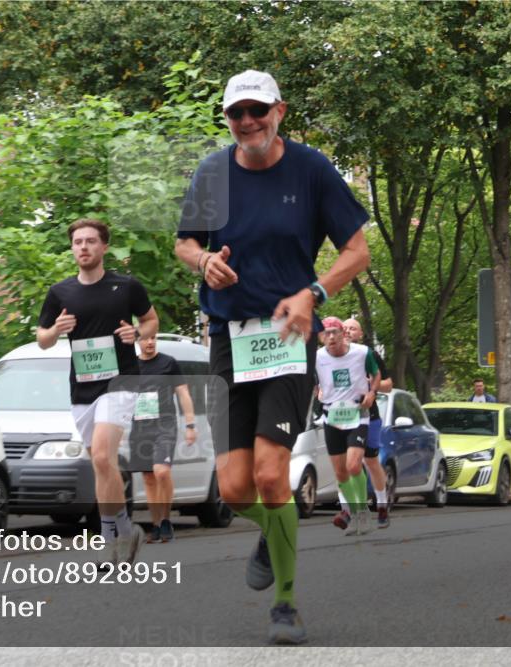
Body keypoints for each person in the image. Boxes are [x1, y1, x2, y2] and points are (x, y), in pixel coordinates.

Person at [174, 69, 370, 645]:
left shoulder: (311, 169)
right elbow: (185, 241)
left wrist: (315, 294)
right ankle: (275, 524)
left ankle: (285, 604)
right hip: (229, 338)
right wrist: (203, 262)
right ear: (228, 119)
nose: (248, 121)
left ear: (279, 111)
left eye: (257, 110)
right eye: (236, 113)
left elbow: (357, 250)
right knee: (235, 489)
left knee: (269, 473)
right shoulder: (212, 173)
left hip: (288, 335)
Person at [37, 218, 159, 568]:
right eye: (78, 242)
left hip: (120, 382)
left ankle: (109, 542)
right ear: (72, 248)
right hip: (82, 387)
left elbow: (151, 320)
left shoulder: (126, 286)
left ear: (104, 247)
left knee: (104, 458)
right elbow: (42, 339)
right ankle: (127, 531)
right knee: (101, 465)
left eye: (91, 241)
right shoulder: (60, 292)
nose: (84, 247)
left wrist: (137, 333)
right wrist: (56, 330)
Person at [129, 333, 197, 543]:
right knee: (149, 478)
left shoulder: (168, 363)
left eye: (152, 338)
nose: (150, 342)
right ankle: (156, 524)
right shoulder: (131, 366)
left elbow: (183, 393)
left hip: (164, 425)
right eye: (145, 339)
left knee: (162, 471)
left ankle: (166, 519)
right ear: (137, 341)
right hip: (140, 426)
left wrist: (190, 425)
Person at [318, 317, 380, 537]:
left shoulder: (362, 353)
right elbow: (311, 380)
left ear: (343, 334)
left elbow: (376, 374)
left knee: (354, 465)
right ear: (321, 337)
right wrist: (317, 390)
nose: (331, 337)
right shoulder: (317, 357)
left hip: (357, 414)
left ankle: (363, 511)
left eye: (335, 332)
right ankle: (353, 513)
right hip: (332, 416)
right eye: (326, 334)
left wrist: (372, 393)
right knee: (340, 472)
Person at [342, 318, 393, 528]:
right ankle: (347, 510)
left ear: (360, 334)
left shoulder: (369, 355)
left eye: (352, 328)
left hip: (369, 416)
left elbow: (388, 385)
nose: (347, 331)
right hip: (342, 417)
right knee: (345, 463)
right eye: (344, 328)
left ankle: (381, 504)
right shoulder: (332, 356)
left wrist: (371, 384)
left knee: (371, 461)